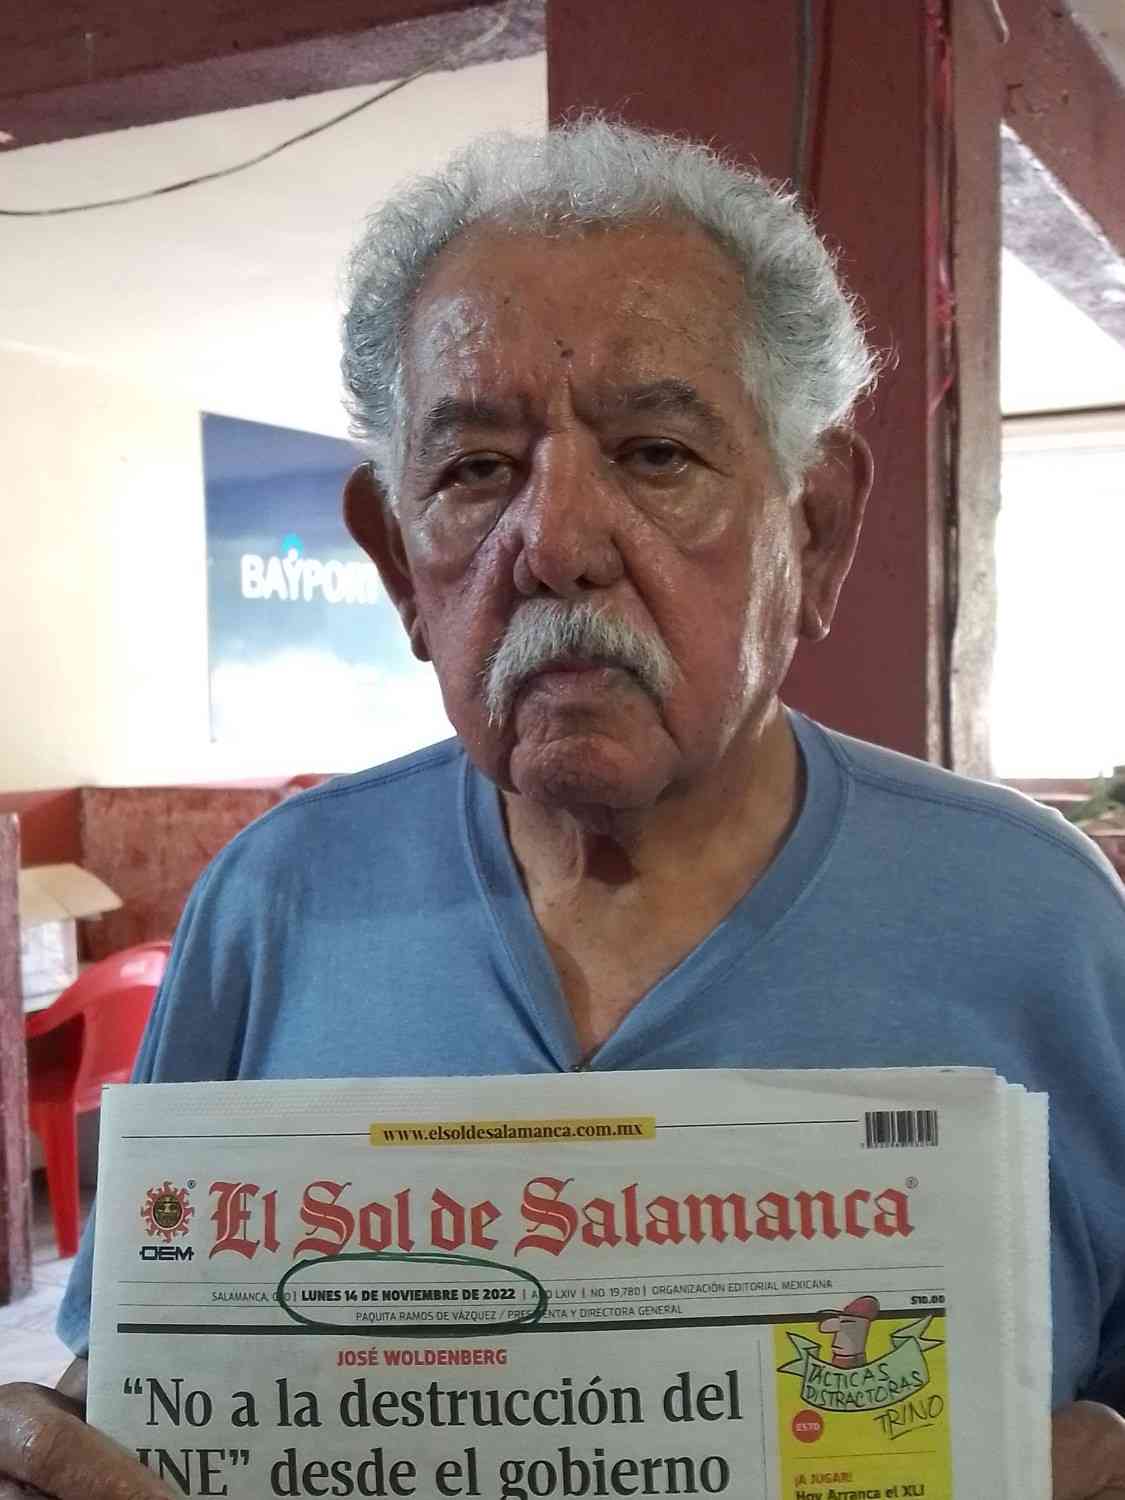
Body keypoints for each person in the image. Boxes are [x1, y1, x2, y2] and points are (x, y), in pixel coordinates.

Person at [1, 118, 1124, 1499]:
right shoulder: (277, 901)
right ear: (398, 565)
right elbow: (135, 1379)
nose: (557, 544)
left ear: (815, 528)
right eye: (476, 471)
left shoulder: (1035, 917)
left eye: (656, 453)